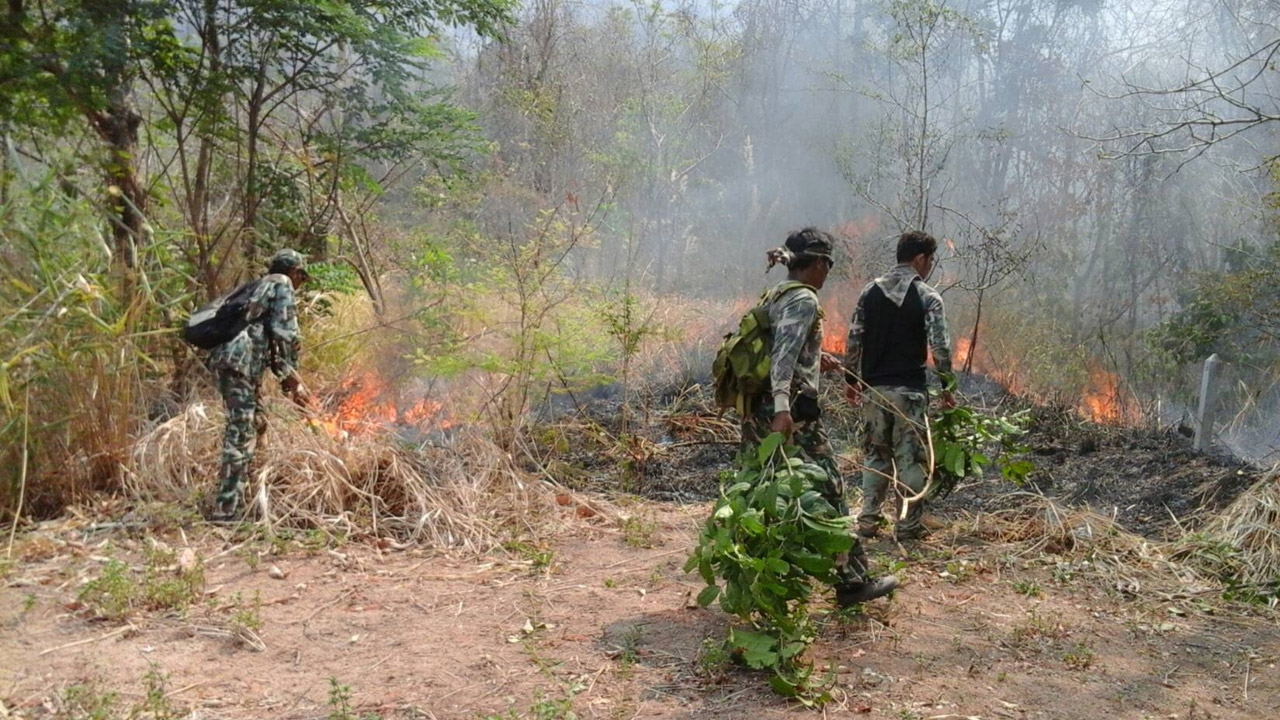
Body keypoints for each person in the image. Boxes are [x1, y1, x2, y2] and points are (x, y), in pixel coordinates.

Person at [742, 227, 898, 606]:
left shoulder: (778, 294)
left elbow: (788, 350)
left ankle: (758, 576)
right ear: (815, 263)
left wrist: (817, 362)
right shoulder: (804, 300)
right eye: (827, 263)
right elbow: (781, 358)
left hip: (761, 410)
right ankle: (850, 580)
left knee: (766, 490)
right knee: (827, 489)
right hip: (791, 415)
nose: (828, 271)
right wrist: (782, 411)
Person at [844, 230, 954, 540]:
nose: (929, 266)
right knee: (910, 459)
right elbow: (941, 347)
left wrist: (851, 380)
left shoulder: (869, 293)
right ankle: (907, 527)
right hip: (909, 392)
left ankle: (867, 522)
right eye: (929, 260)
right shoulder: (928, 297)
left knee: (875, 456)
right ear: (920, 259)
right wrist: (947, 385)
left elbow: (854, 340)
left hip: (874, 390)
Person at [207, 249, 313, 521]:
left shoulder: (259, 286)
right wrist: (293, 381)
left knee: (257, 422)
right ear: (294, 272)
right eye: (302, 276)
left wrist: (286, 378)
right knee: (240, 431)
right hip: (239, 365)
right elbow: (284, 334)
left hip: (230, 363)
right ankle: (225, 509)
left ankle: (252, 494)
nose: (301, 282)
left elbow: (272, 342)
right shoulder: (282, 284)